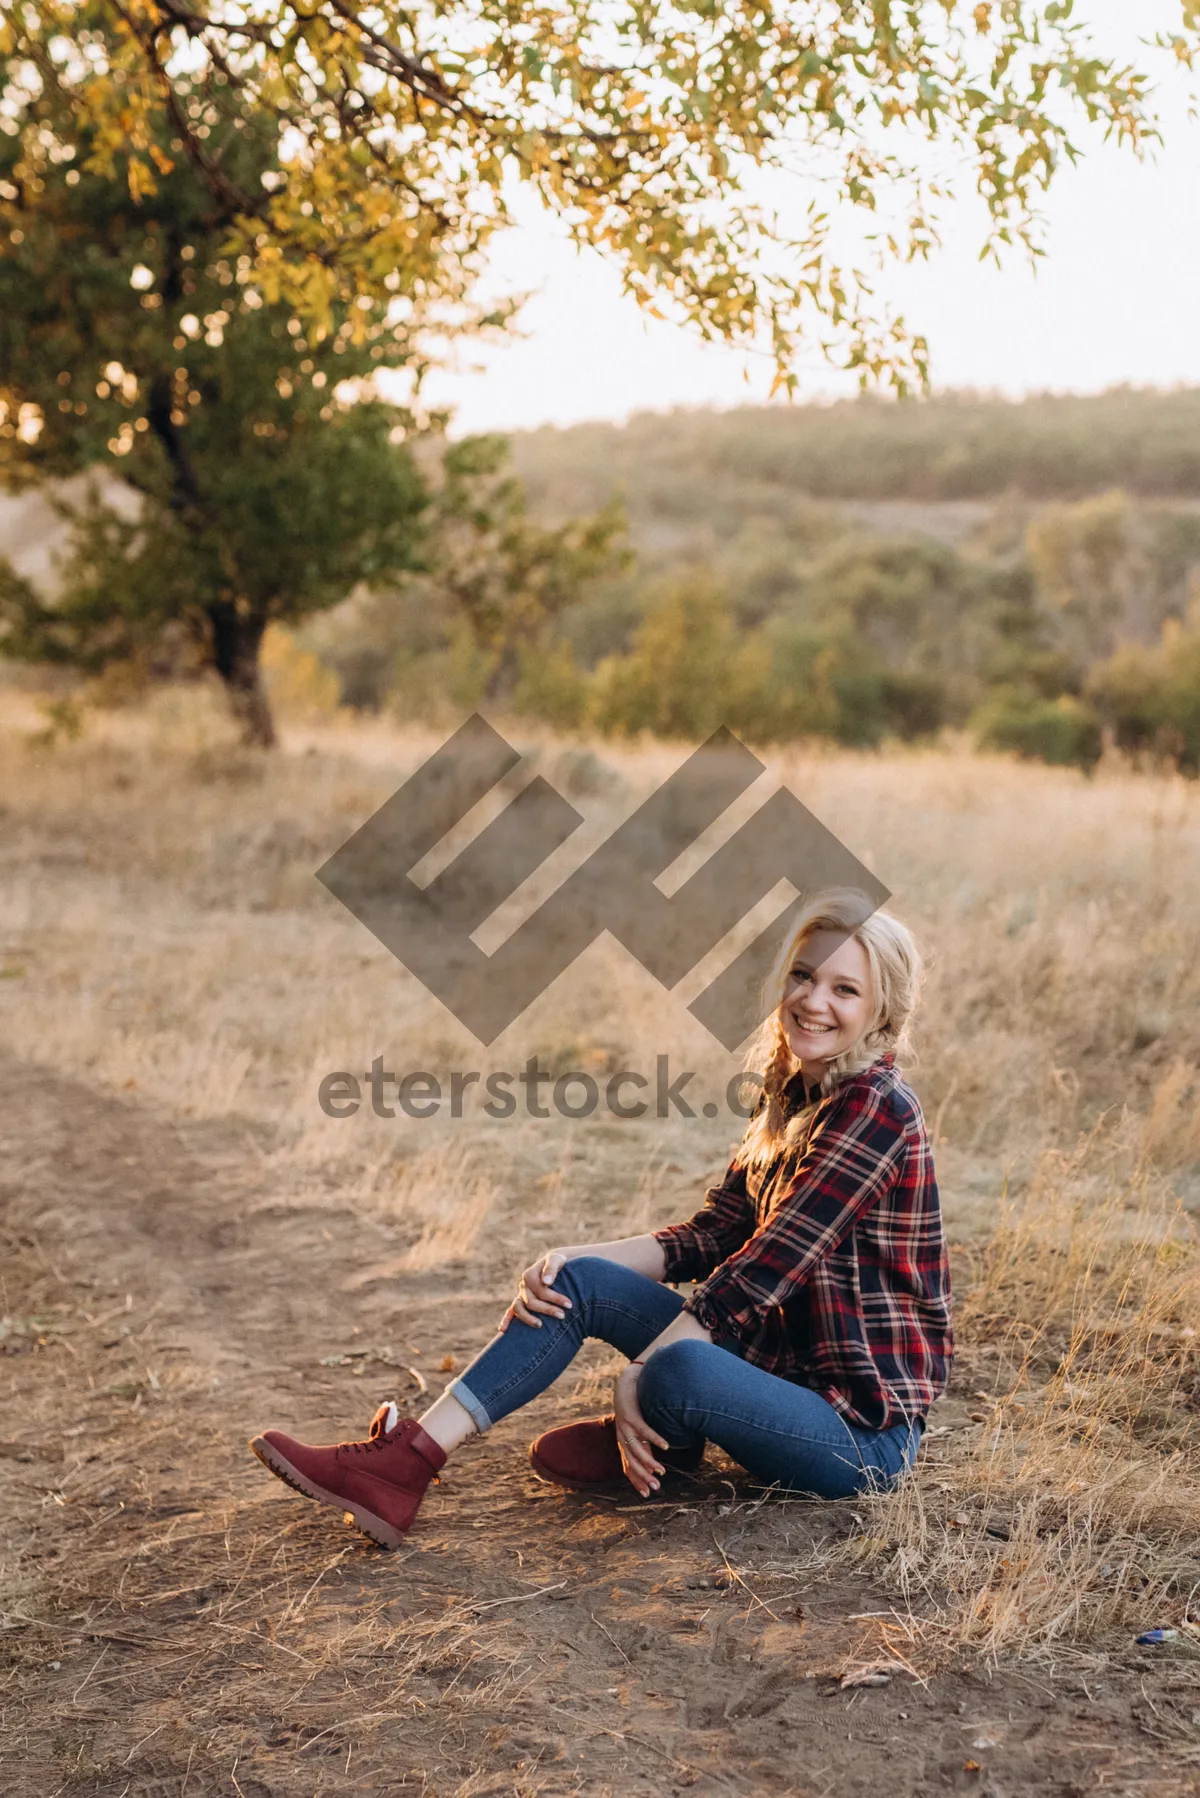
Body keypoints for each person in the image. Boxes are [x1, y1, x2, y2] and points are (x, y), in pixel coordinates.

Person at [250, 888, 953, 1548]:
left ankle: (660, 1431)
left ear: (884, 1013)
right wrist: (573, 1262)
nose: (812, 1000)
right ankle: (407, 1462)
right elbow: (714, 1234)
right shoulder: (792, 1087)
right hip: (775, 1372)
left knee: (678, 1369)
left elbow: (758, 1274)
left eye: (844, 989)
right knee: (577, 1281)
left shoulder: (877, 1108)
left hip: (857, 1430)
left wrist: (638, 1376)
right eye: (803, 977)